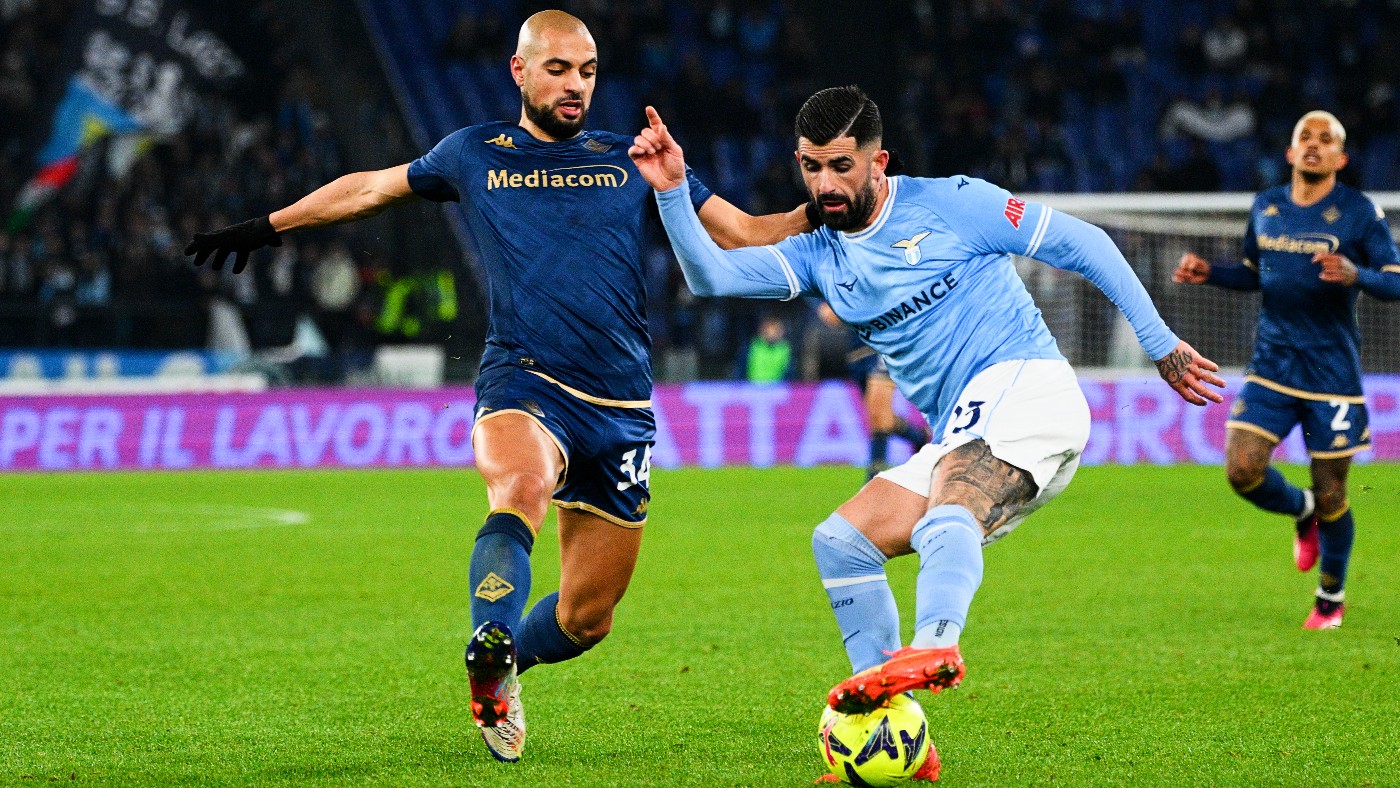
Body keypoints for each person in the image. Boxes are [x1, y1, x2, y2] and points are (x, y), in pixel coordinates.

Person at [183, 10, 807, 763]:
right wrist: (268, 226)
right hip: (523, 378)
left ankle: (505, 668)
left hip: (621, 407)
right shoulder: (474, 152)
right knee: (520, 487)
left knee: (588, 617)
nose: (575, 85)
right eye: (558, 69)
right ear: (519, 70)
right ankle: (492, 634)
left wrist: (834, 211)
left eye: (587, 71)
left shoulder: (630, 158)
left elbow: (743, 231)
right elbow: (369, 188)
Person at [629, 85, 1223, 779]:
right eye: (812, 167)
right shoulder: (821, 254)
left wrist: (1160, 343)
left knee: (950, 504)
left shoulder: (953, 204)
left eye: (842, 166)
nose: (825, 184)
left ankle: (937, 643)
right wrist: (672, 192)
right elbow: (711, 275)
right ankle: (896, 723)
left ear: (878, 161)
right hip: (964, 429)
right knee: (842, 542)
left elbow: (1085, 243)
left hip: (1028, 386)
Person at [1173, 110, 1400, 630]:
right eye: (1306, 137)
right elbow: (1255, 273)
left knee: (1334, 491)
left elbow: (1395, 279)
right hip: (1272, 363)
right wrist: (1211, 273)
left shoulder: (1359, 212)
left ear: (1341, 158)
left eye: (1327, 139)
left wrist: (1356, 274)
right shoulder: (1267, 206)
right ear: (1291, 152)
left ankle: (1330, 599)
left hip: (1331, 372)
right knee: (1241, 470)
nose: (1315, 145)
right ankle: (1302, 511)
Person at [818, 302, 931, 479]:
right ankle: (918, 437)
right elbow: (829, 314)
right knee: (880, 417)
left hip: (884, 343)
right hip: (857, 350)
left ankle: (873, 477)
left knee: (878, 416)